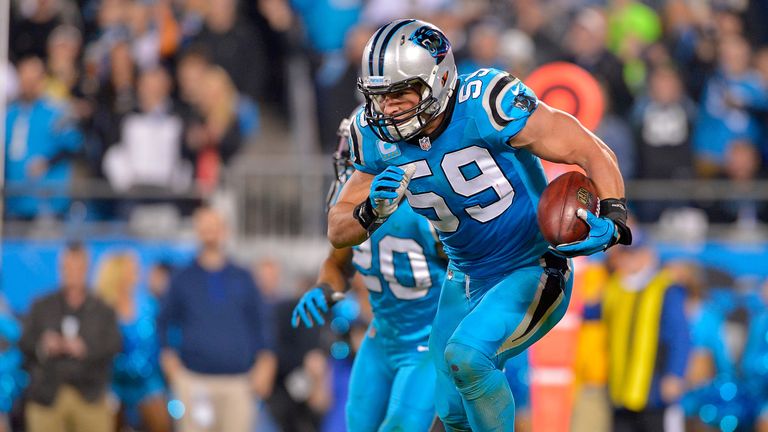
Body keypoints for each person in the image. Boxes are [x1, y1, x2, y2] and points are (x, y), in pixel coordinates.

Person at [327, 19, 632, 431]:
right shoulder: (370, 134)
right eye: (379, 96)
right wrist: (370, 212)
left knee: (468, 357)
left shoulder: (486, 102)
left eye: (400, 92)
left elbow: (587, 147)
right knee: (451, 411)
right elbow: (338, 227)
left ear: (439, 80)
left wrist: (613, 214)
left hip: (532, 264)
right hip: (463, 275)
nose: (388, 107)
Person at [293, 114, 448, 431]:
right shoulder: (350, 213)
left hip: (426, 346)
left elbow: (468, 273)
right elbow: (337, 266)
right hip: (379, 340)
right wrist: (325, 289)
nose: (347, 160)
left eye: (354, 150)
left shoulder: (425, 207)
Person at [157, 206, 277, 432]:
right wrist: (170, 361)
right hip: (195, 382)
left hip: (239, 383)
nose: (210, 232)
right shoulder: (182, 279)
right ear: (197, 230)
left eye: (215, 226)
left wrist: (266, 361)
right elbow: (163, 322)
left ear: (225, 231)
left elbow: (261, 323)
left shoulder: (243, 277)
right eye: (205, 227)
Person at [19, 242, 122, 432]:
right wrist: (44, 344)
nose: (73, 273)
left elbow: (113, 345)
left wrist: (85, 348)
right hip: (47, 395)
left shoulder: (102, 309)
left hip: (89, 395)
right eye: (68, 268)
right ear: (60, 269)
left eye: (78, 268)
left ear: (87, 269)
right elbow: (25, 342)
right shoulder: (42, 305)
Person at [94, 252, 170, 432]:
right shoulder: (103, 308)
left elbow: (160, 341)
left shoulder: (150, 304)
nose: (138, 273)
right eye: (132, 269)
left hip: (148, 382)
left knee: (161, 423)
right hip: (114, 382)